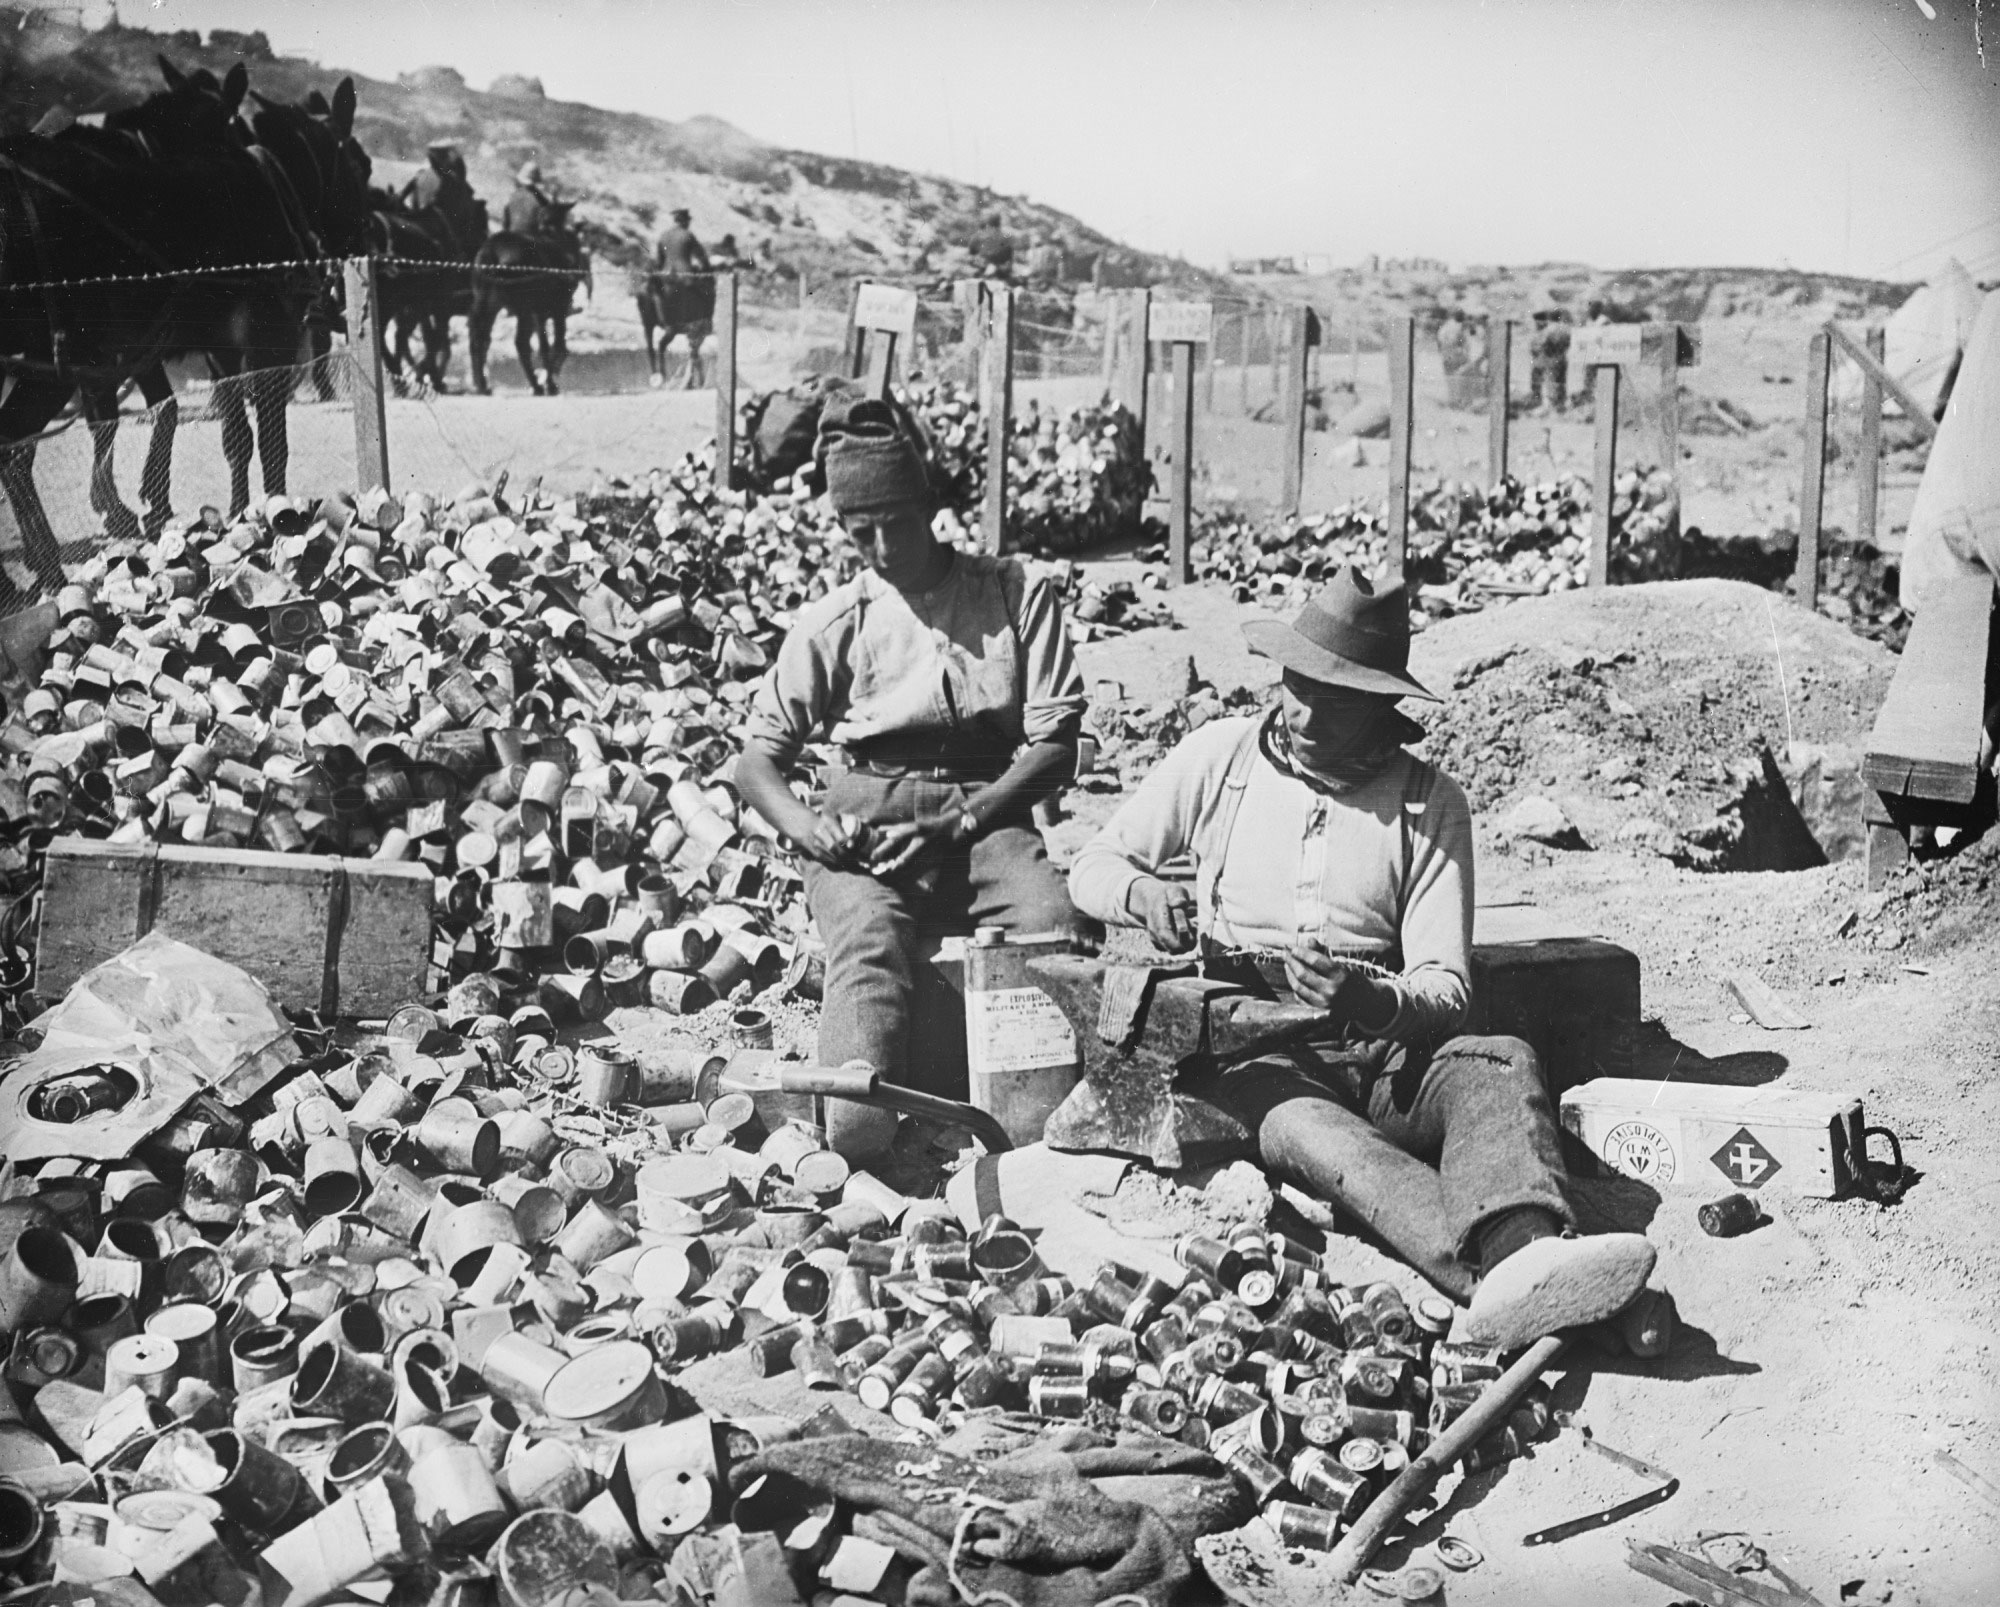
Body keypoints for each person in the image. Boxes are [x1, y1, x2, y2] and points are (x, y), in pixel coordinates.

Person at [1065, 569, 1661, 1351]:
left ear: (1383, 705)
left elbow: (1445, 983)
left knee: (1499, 1061)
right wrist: (1142, 894)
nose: (1305, 710)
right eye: (1296, 684)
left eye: (1337, 697)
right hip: (1256, 1057)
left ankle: (1527, 1251)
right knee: (1317, 1135)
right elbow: (1091, 865)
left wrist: (1371, 999)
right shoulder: (1221, 759)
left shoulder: (1428, 800)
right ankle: (1502, 1279)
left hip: (1383, 1046)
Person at [735, 397, 1089, 1162]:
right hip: (867, 813)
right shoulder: (837, 621)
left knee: (1051, 922)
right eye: (861, 530)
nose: (883, 545)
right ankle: (860, 1129)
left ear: (932, 505)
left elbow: (1056, 747)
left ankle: (1032, 1123)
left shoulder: (1013, 594)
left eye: (898, 520)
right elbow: (755, 762)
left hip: (986, 809)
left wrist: (964, 820)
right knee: (869, 933)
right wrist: (808, 825)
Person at [503, 160, 554, 236]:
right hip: (533, 235)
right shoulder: (541, 197)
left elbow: (505, 222)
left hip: (512, 234)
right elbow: (548, 219)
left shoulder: (512, 195)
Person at [654, 207, 712, 275]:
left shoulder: (663, 236)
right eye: (688, 221)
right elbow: (700, 255)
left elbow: (659, 261)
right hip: (685, 275)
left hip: (666, 275)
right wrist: (707, 268)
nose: (689, 224)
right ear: (684, 221)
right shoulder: (688, 235)